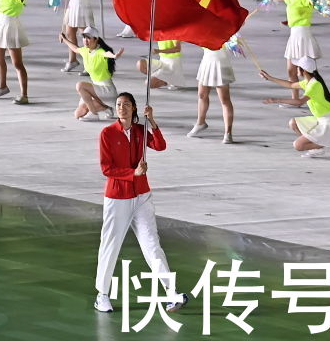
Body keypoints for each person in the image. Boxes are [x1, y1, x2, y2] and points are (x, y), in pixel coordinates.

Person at [93, 93, 186, 314]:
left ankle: (171, 293)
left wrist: (152, 121)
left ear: (134, 108)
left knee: (152, 244)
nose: (121, 108)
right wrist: (132, 172)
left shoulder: (140, 131)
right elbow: (107, 169)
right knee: (111, 246)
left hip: (142, 196)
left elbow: (161, 145)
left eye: (126, 105)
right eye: (118, 105)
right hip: (117, 198)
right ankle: (102, 295)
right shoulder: (107, 133)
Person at [257, 65, 330, 158]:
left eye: (298, 68)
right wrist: (270, 78)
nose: (296, 70)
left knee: (298, 145)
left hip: (328, 123)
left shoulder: (315, 85)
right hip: (320, 120)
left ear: (304, 71)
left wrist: (276, 100)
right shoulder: (308, 82)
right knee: (293, 123)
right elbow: (290, 85)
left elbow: (299, 102)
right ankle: (317, 148)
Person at [64, 30, 121, 121]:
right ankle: (107, 108)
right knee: (78, 113)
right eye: (84, 38)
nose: (85, 40)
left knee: (80, 85)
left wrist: (114, 56)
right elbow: (74, 48)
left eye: (88, 38)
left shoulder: (99, 52)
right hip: (96, 91)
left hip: (107, 90)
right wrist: (64, 39)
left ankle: (94, 114)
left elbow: (106, 54)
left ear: (96, 39)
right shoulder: (85, 50)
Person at [190, 41, 236, 143]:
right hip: (207, 62)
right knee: (202, 95)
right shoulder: (205, 29)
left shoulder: (226, 30)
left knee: (224, 100)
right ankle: (200, 123)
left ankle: (228, 133)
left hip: (220, 64)